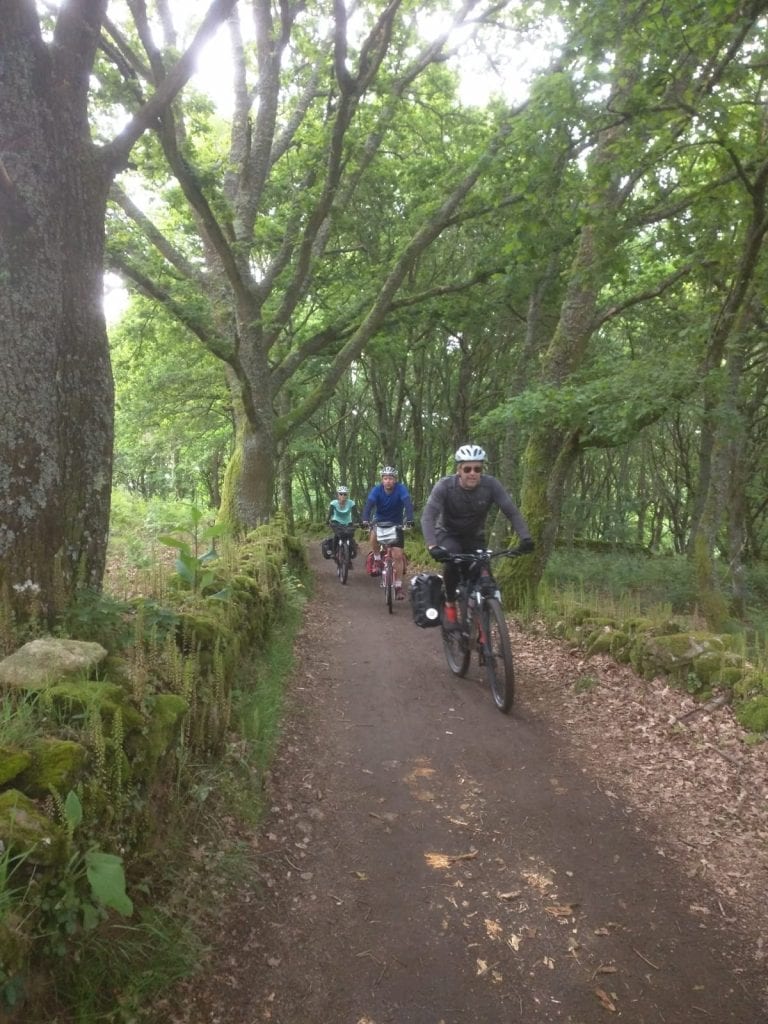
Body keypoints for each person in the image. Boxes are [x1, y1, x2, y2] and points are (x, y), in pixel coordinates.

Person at [421, 444, 534, 629]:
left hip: (475, 537)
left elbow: (511, 511)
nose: (472, 473)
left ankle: (481, 617)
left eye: (477, 469)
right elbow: (428, 516)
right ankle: (450, 602)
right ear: (459, 470)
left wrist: (525, 538)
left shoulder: (491, 485)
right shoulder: (445, 486)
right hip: (448, 534)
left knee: (485, 576)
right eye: (467, 469)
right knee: (452, 559)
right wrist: (432, 546)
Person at [362, 466, 414, 599]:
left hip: (396, 524)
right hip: (380, 521)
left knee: (397, 555)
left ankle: (398, 587)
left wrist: (410, 519)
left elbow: (407, 503)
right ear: (382, 480)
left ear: (395, 480)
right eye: (385, 478)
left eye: (390, 478)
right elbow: (369, 504)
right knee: (373, 535)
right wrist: (365, 519)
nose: (388, 481)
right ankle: (378, 560)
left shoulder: (401, 489)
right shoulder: (377, 490)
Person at [327, 485, 359, 564]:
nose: (343, 496)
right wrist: (327, 521)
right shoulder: (334, 503)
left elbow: (356, 514)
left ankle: (349, 555)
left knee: (350, 537)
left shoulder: (351, 503)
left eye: (345, 494)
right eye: (341, 494)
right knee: (337, 536)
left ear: (347, 495)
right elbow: (330, 514)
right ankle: (334, 553)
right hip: (336, 521)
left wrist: (361, 522)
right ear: (338, 495)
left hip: (348, 522)